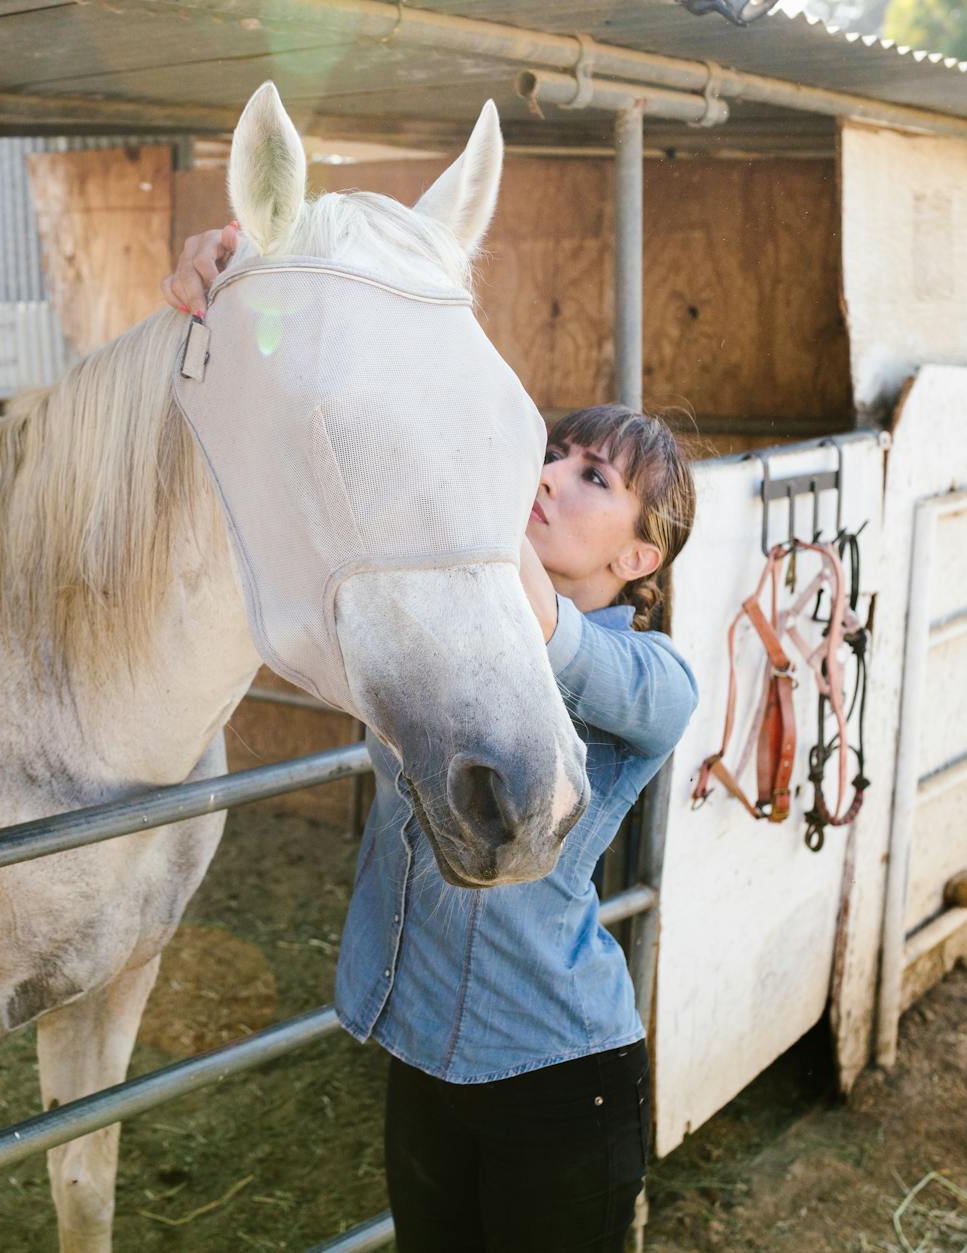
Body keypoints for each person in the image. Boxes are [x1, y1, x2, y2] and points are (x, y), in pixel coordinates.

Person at [164, 226, 701, 1253]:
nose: (552, 474)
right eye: (553, 451)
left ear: (639, 557)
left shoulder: (652, 678)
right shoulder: (446, 633)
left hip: (558, 1074)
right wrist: (239, 296)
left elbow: (565, 647)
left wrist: (481, 484)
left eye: (593, 477)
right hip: (420, 1058)